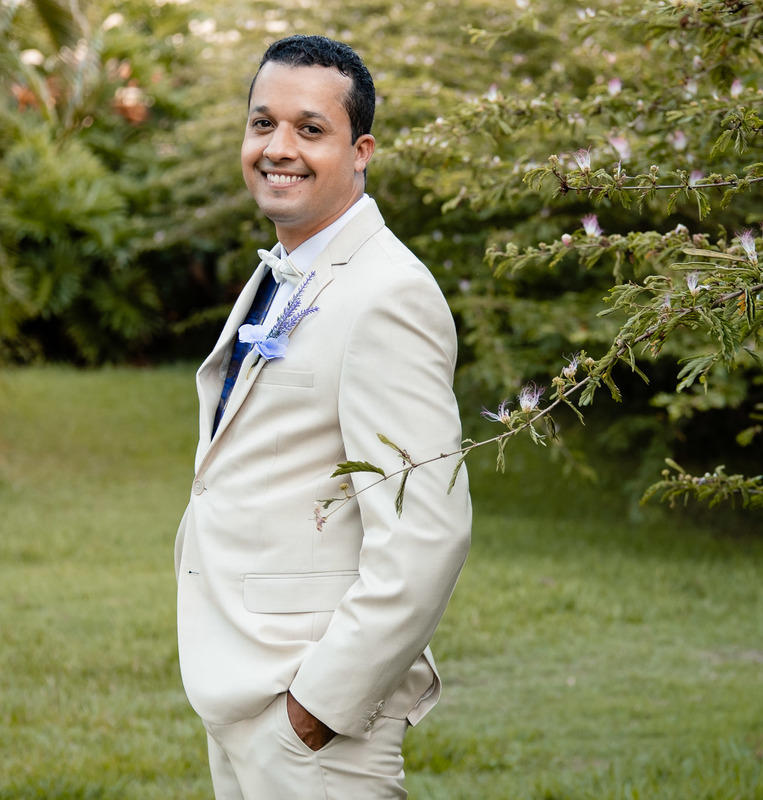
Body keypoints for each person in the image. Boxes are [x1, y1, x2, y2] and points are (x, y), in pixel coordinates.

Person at [173, 34, 472, 799]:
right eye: (261, 123)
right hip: (241, 691)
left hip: (310, 723)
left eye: (311, 129)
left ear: (361, 149)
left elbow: (426, 533)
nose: (278, 148)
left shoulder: (388, 293)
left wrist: (316, 709)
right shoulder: (287, 266)